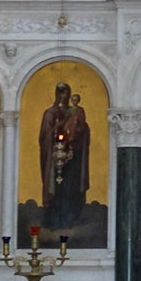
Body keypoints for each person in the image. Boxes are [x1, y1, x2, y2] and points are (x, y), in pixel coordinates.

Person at [38, 81, 90, 231]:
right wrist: (57, 128)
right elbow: (44, 137)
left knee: (71, 188)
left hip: (72, 158)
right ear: (56, 94)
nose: (64, 96)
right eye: (61, 92)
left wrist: (81, 128)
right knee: (56, 189)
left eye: (67, 92)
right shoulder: (50, 113)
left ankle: (71, 218)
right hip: (55, 160)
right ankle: (54, 220)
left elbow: (83, 130)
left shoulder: (76, 111)